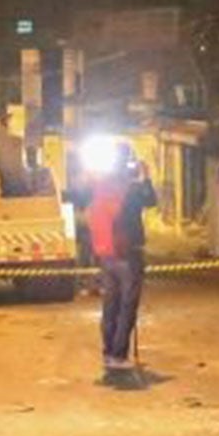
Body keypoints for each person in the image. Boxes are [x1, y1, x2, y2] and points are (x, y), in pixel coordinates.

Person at [87, 152, 158, 377]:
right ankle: (119, 355)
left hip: (107, 256)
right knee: (127, 306)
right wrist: (145, 176)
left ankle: (109, 352)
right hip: (129, 256)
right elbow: (152, 200)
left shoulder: (102, 188)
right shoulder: (132, 190)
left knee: (111, 305)